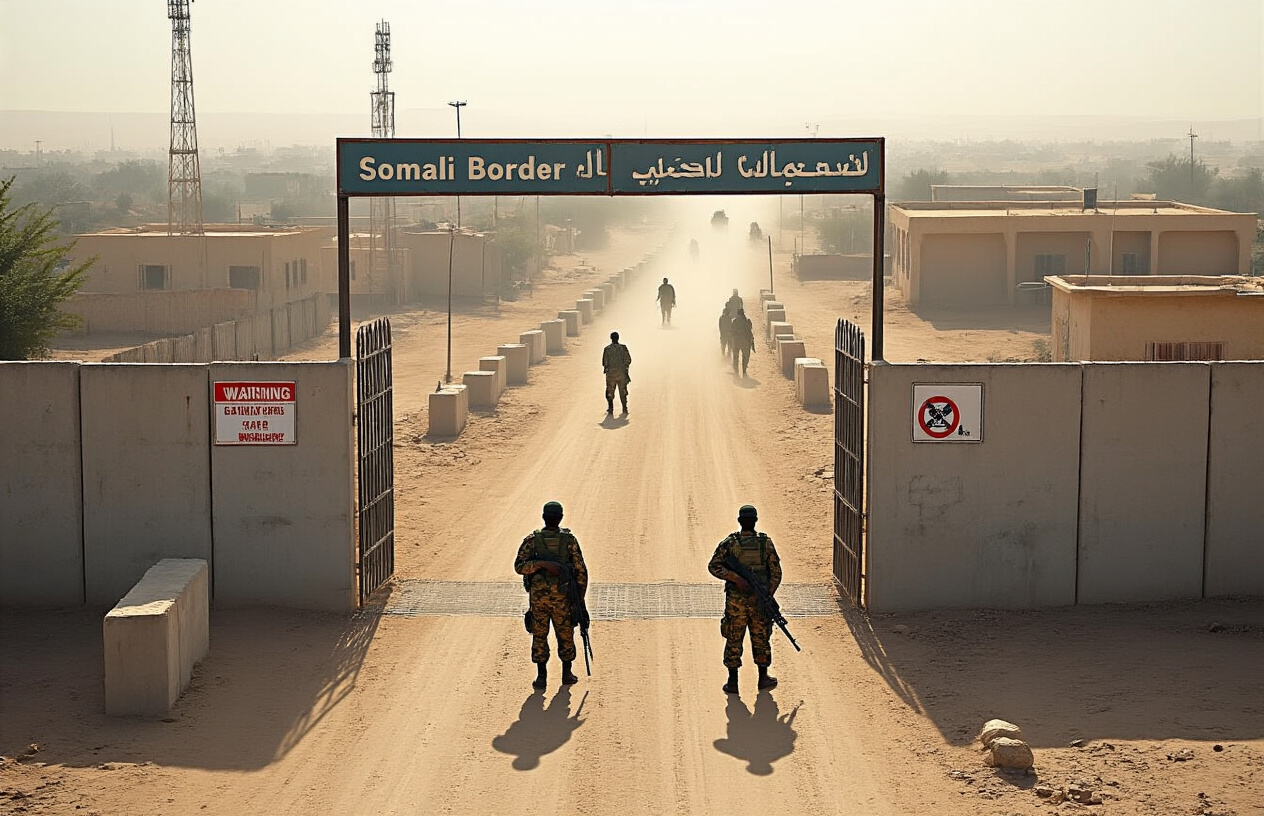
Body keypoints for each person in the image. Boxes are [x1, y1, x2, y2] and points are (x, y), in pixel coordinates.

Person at [708, 505, 782, 694]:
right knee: (761, 638)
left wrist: (733, 579)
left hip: (736, 604)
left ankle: (733, 681)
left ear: (740, 522)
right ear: (755, 521)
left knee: (734, 638)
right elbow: (776, 573)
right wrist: (765, 594)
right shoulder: (766, 544)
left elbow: (714, 566)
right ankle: (763, 677)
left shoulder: (729, 544)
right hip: (757, 604)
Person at [515, 501, 589, 690]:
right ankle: (567, 673)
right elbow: (581, 571)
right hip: (563, 599)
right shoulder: (569, 541)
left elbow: (520, 566)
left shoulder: (532, 540)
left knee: (539, 634)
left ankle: (542, 676)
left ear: (543, 517)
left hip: (539, 599)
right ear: (561, 518)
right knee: (565, 633)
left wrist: (537, 564)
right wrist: (580, 600)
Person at [601, 330, 631, 414]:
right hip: (622, 374)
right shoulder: (623, 348)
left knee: (610, 391)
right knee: (623, 391)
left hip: (611, 375)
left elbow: (604, 362)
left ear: (611, 339)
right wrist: (624, 368)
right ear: (618, 338)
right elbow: (628, 360)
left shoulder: (607, 349)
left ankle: (610, 409)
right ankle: (624, 408)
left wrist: (608, 368)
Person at [729, 308, 755, 377]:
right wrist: (752, 343)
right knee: (745, 356)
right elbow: (750, 331)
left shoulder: (734, 321)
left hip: (736, 341)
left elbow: (731, 332)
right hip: (745, 341)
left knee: (735, 356)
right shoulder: (747, 321)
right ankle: (744, 370)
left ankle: (736, 370)